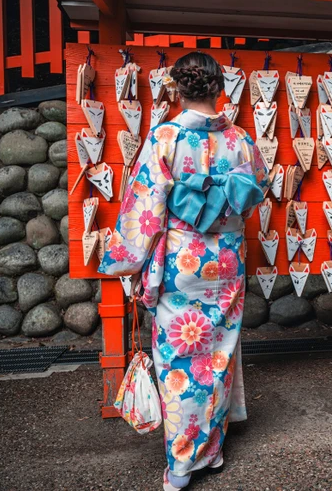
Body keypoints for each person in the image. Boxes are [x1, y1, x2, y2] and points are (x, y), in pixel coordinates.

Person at [99, 51, 269, 490]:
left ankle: (181, 465)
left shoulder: (165, 138)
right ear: (220, 88)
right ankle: (211, 450)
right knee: (219, 354)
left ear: (177, 90)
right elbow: (259, 187)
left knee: (179, 359)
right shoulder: (241, 140)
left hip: (182, 263)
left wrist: (126, 260)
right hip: (227, 261)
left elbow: (144, 208)